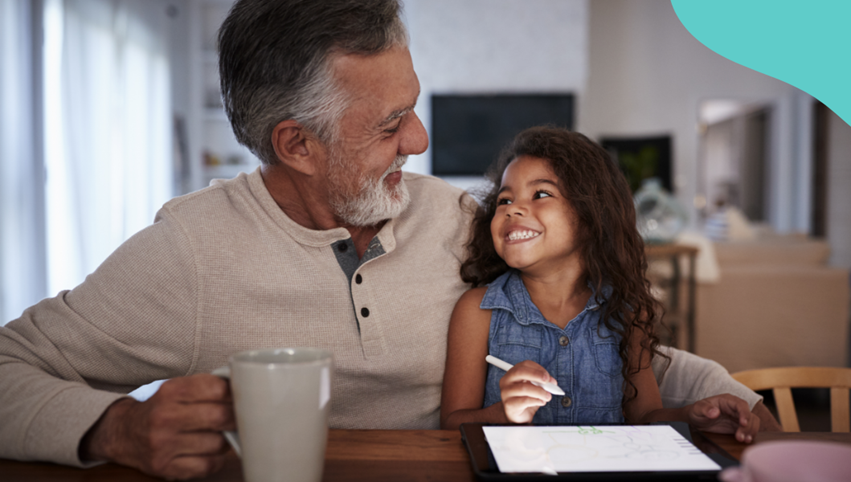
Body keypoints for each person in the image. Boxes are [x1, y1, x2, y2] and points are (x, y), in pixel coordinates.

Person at [0, 1, 776, 480]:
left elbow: (602, 341)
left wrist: (734, 402)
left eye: (413, 104)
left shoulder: (468, 223)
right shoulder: (188, 255)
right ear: (296, 144)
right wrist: (118, 427)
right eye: (387, 123)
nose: (421, 136)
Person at [440, 127, 760, 443]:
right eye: (504, 199)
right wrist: (503, 415)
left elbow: (644, 418)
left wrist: (691, 417)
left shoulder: (626, 312)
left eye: (540, 194)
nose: (513, 208)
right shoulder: (478, 311)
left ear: (591, 215)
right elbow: (453, 424)